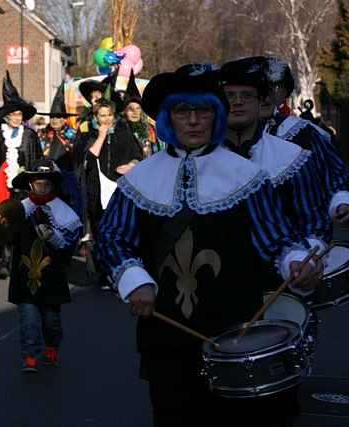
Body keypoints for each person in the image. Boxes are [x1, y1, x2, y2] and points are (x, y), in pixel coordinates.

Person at [98, 65, 319, 427]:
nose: (194, 121)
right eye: (183, 111)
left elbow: (276, 238)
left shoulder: (246, 175)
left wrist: (295, 262)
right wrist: (134, 280)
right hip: (166, 332)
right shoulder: (139, 180)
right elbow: (112, 238)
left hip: (235, 328)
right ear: (169, 119)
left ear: (216, 116)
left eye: (203, 111)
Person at [218, 57, 331, 251]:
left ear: (261, 100)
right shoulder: (200, 158)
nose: (237, 102)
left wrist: (299, 261)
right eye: (229, 96)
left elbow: (314, 222)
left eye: (246, 95)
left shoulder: (292, 159)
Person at [8, 159, 82, 372]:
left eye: (47, 184)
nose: (42, 187)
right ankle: (29, 355)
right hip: (24, 274)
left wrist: (53, 236)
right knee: (28, 318)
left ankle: (51, 346)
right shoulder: (19, 209)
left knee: (51, 320)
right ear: (30, 184)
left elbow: (68, 246)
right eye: (38, 183)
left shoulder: (64, 212)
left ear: (54, 185)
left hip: (51, 275)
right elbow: (4, 236)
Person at [262, 56, 349, 228]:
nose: (267, 95)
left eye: (275, 87)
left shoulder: (305, 133)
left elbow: (335, 178)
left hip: (304, 236)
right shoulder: (224, 136)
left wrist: (340, 203)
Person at [0, 71, 43, 279]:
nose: (17, 118)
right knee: (4, 222)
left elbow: (38, 161)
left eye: (20, 115)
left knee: (24, 224)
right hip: (3, 188)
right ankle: (5, 261)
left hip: (24, 188)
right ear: (6, 116)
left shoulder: (31, 136)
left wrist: (33, 178)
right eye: (13, 114)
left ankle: (21, 260)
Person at [74, 98, 139, 289]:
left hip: (120, 187)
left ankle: (118, 272)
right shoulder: (88, 133)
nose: (106, 119)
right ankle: (104, 273)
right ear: (96, 116)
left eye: (109, 115)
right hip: (97, 189)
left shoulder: (124, 131)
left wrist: (131, 165)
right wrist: (101, 136)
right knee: (100, 230)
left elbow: (137, 155)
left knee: (118, 230)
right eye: (102, 115)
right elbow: (87, 157)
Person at [37, 82, 82, 216]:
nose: (55, 120)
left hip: (68, 177)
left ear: (64, 119)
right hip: (46, 178)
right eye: (52, 117)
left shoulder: (73, 134)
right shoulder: (42, 134)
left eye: (58, 117)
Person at [120, 71, 163, 157]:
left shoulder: (151, 130)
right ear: (124, 111)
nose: (134, 112)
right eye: (131, 109)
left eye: (138, 108)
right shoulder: (120, 129)